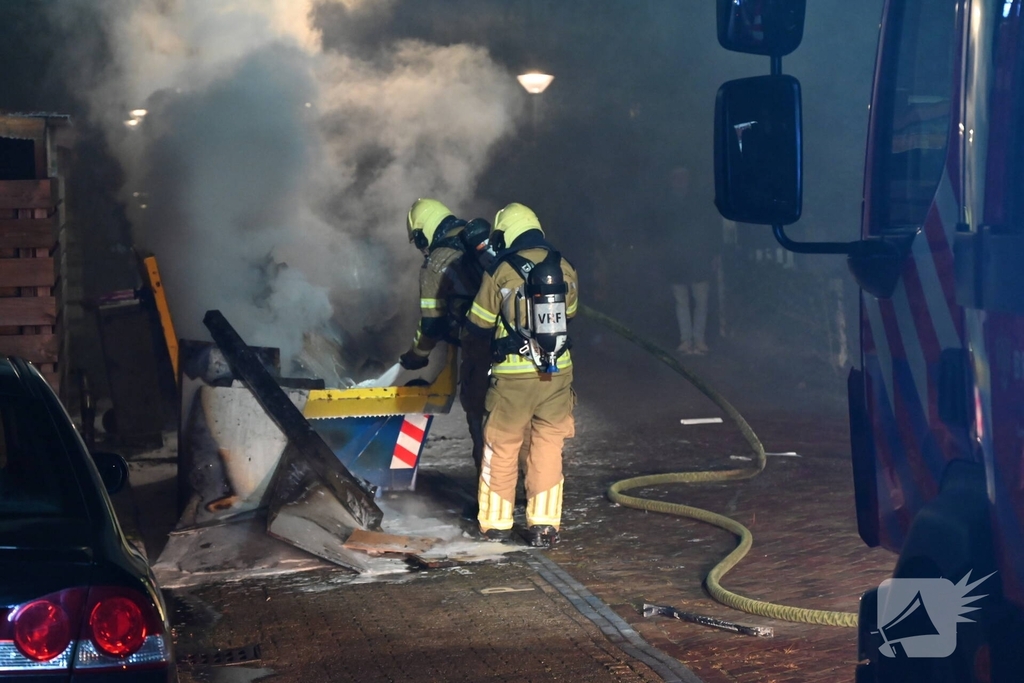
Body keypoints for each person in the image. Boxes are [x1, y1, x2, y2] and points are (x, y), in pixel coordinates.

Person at [465, 203, 579, 548]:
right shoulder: (564, 266)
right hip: (557, 373)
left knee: (502, 445)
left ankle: (496, 525)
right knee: (548, 447)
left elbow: (479, 322)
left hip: (513, 376)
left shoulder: (501, 270)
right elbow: (571, 313)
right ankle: (544, 524)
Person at [400, 198, 491, 472]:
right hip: (518, 347)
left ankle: (492, 492)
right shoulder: (482, 242)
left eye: (419, 241)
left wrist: (417, 355)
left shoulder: (436, 263)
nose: (421, 248)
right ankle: (527, 485)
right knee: (518, 422)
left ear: (424, 232)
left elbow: (431, 324)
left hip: (480, 349)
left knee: (484, 425)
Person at [666, 166, 720, 355]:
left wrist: (715, 253)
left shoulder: (699, 202)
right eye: (676, 177)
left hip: (699, 258)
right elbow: (662, 233)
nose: (680, 181)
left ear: (688, 179)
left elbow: (711, 227)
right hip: (677, 260)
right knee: (681, 301)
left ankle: (699, 340)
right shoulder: (667, 204)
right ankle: (686, 340)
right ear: (671, 180)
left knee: (701, 300)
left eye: (683, 177)